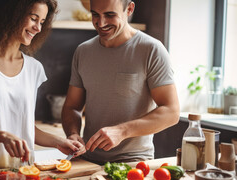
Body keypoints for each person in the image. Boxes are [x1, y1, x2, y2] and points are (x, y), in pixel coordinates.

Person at [0, 0, 84, 179]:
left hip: (22, 175)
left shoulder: (34, 68)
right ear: (12, 13)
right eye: (34, 19)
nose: (38, 28)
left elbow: (25, 128)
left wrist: (58, 141)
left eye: (42, 22)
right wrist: (2, 136)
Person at [62, 0, 180, 165]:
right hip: (87, 159)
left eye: (110, 15)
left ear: (129, 9)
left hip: (133, 162)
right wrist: (73, 134)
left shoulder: (152, 50)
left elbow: (171, 112)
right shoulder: (83, 51)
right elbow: (72, 107)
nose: (100, 23)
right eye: (95, 14)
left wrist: (122, 131)